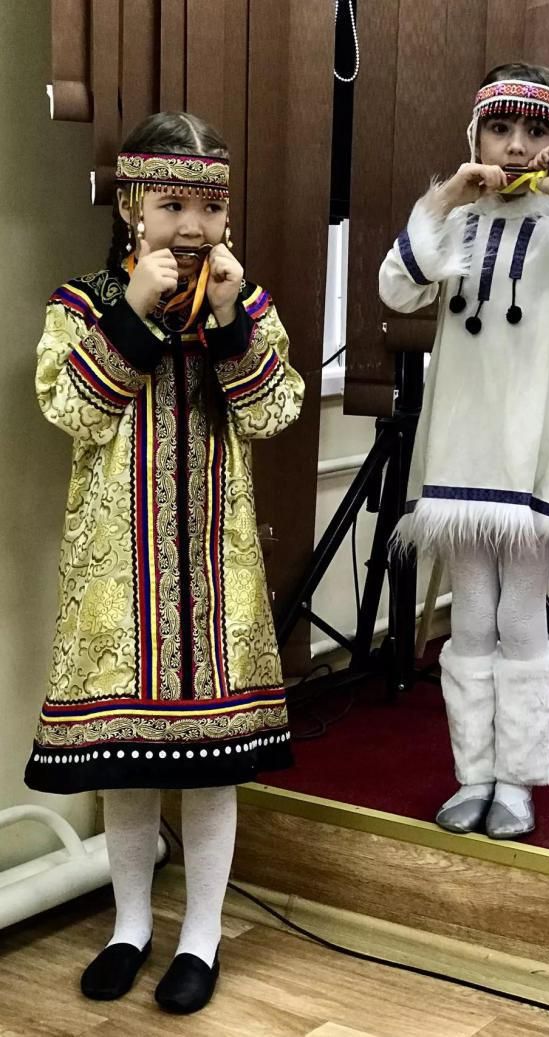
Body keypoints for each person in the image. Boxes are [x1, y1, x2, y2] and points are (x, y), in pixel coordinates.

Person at [24, 111, 304, 1013]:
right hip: (119, 582)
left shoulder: (243, 305)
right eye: (172, 205)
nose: (192, 225)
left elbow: (273, 411)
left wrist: (227, 320)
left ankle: (202, 935)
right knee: (127, 763)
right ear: (132, 208)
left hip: (216, 577)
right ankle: (130, 924)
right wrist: (134, 312)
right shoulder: (82, 304)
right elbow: (70, 409)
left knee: (210, 766)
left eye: (209, 206)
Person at [379, 63, 549, 840]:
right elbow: (397, 289)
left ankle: (518, 781)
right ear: (476, 134)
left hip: (536, 446)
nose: (517, 145)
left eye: (537, 131)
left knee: (523, 616)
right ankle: (475, 774)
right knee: (470, 617)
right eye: (500, 128)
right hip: (463, 445)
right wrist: (443, 200)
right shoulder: (456, 218)